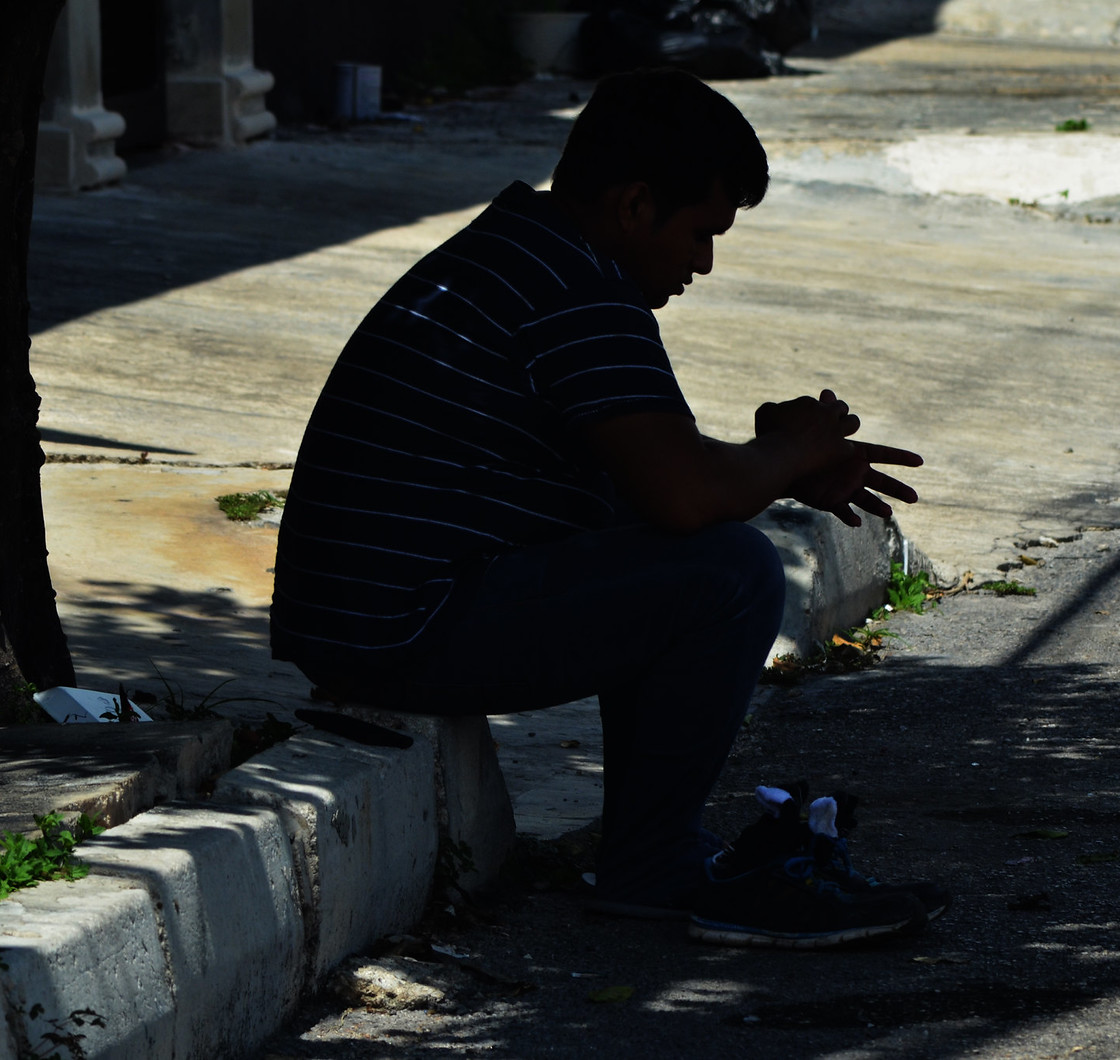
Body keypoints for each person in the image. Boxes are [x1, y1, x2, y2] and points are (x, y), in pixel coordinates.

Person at [271, 68, 931, 947]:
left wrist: (772, 465)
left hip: (365, 621)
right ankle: (655, 864)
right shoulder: (576, 289)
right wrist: (782, 455)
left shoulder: (529, 252)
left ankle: (658, 850)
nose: (703, 264)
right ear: (634, 206)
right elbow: (684, 496)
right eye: (700, 233)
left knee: (684, 538)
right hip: (403, 627)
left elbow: (653, 470)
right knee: (731, 573)